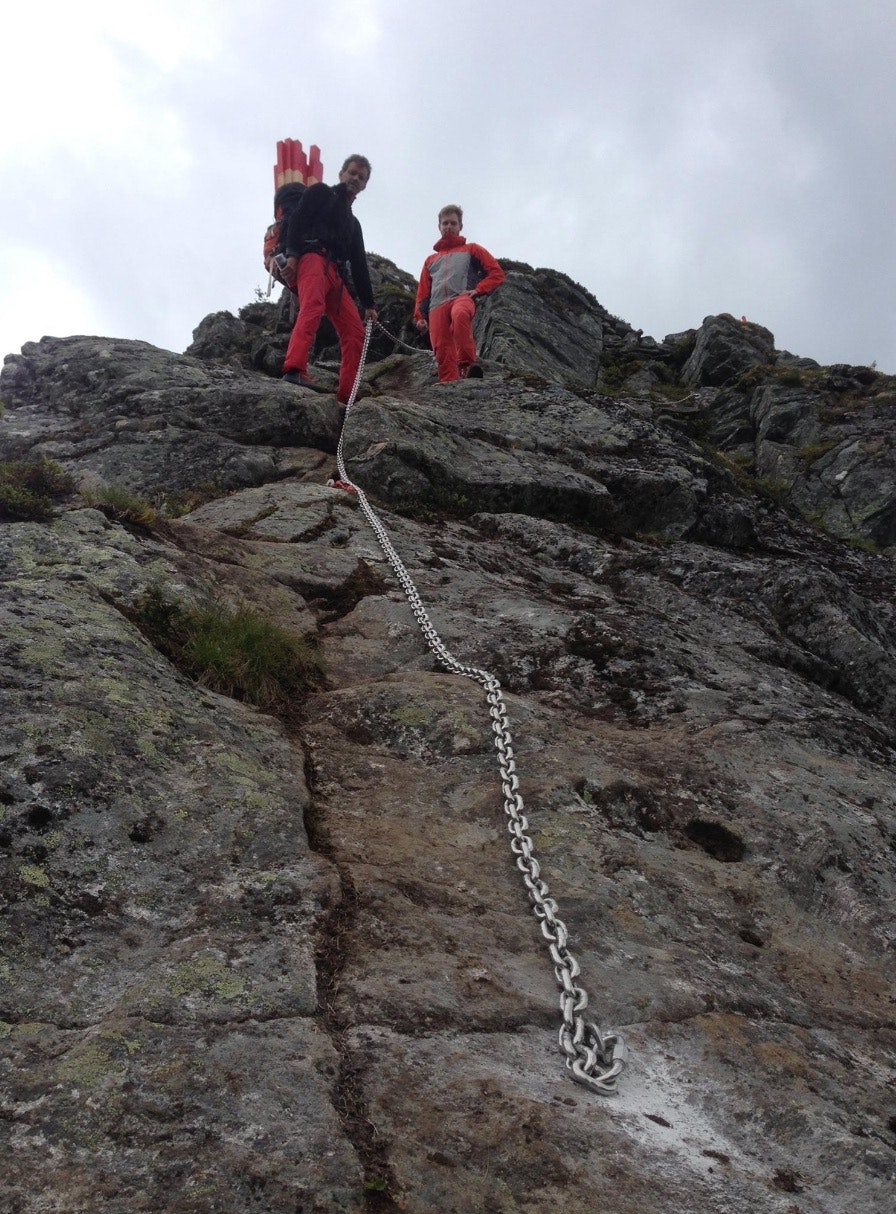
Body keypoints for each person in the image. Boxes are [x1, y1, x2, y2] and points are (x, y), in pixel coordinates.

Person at [281, 155, 378, 404]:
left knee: (355, 332)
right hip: (312, 258)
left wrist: (369, 304)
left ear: (365, 185)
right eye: (352, 173)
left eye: (361, 177)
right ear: (341, 173)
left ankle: (347, 395)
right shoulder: (320, 192)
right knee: (313, 307)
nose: (355, 179)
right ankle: (294, 368)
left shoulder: (353, 224)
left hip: (335, 274)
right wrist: (292, 256)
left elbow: (358, 263)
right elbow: (297, 220)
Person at [414, 204, 505, 383]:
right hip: (436, 307)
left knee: (460, 314)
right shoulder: (430, 260)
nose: (448, 226)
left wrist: (478, 290)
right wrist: (420, 316)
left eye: (453, 223)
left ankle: (467, 366)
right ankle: (449, 385)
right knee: (442, 349)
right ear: (439, 226)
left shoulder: (472, 249)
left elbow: (497, 273)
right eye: (445, 223)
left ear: (460, 226)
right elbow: (423, 291)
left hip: (462, 298)